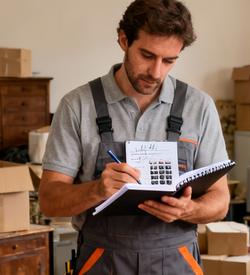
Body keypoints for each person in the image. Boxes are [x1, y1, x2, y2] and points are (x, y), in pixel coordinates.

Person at [39, 0, 230, 274]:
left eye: (169, 61)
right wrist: (97, 190)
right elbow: (49, 201)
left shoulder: (199, 107)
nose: (157, 72)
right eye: (148, 56)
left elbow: (221, 200)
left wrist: (187, 209)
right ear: (123, 40)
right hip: (102, 261)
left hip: (178, 261)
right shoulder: (77, 106)